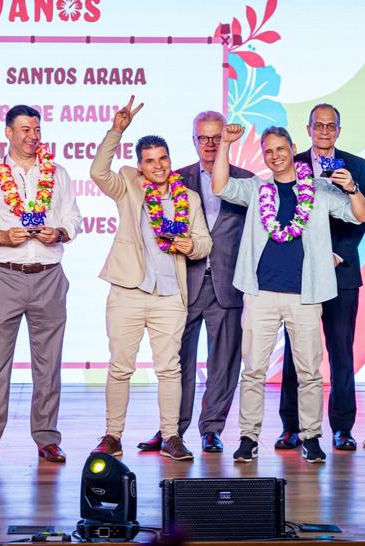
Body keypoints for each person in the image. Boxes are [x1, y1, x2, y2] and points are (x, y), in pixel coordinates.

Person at [213, 124, 365, 464]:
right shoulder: (257, 188)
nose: (275, 156)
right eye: (268, 151)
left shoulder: (319, 188)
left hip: (305, 295)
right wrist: (225, 143)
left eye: (281, 149)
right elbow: (221, 185)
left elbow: (360, 215)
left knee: (309, 372)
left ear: (293, 148)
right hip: (260, 294)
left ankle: (311, 436)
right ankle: (248, 437)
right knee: (253, 370)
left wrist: (353, 188)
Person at [89, 96, 212, 461]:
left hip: (171, 294)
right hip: (128, 290)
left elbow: (205, 241)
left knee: (169, 369)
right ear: (140, 166)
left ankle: (171, 437)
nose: (158, 166)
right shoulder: (128, 184)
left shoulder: (188, 197)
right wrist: (117, 130)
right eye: (150, 161)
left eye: (163, 159)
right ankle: (112, 435)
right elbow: (98, 172)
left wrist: (192, 245)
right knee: (120, 366)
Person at [0, 105, 81, 465]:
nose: (33, 136)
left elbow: (73, 218)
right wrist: (0, 234)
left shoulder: (57, 173)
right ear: (8, 133)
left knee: (48, 363)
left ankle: (47, 438)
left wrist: (58, 232)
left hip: (48, 276)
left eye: (37, 129)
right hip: (4, 275)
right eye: (25, 129)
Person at [136, 111, 252, 454]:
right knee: (176, 362)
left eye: (218, 137)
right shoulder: (173, 180)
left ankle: (212, 429)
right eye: (204, 137)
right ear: (194, 140)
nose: (211, 144)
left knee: (224, 363)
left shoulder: (246, 181)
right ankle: (172, 430)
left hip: (227, 286)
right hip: (182, 285)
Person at [275, 103, 365, 452]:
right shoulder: (293, 163)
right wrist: (310, 256)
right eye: (319, 125)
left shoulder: (355, 166)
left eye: (332, 126)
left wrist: (336, 254)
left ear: (339, 131)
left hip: (341, 271)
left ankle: (342, 427)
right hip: (301, 273)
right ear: (309, 128)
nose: (325, 131)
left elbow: (362, 217)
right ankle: (291, 426)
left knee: (341, 351)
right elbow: (284, 213)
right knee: (294, 352)